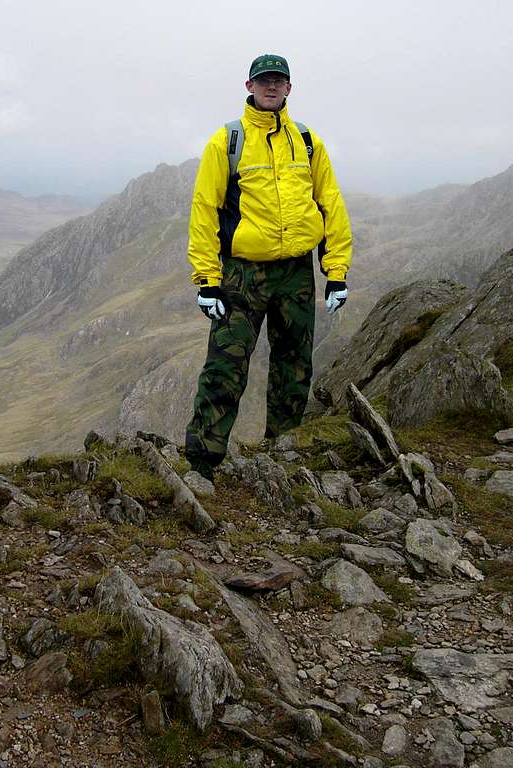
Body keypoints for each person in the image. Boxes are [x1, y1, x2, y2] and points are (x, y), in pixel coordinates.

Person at [184, 53, 353, 482]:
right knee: (225, 365)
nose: (272, 87)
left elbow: (330, 205)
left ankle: (284, 455)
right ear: (249, 86)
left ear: (289, 88)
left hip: (297, 273)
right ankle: (202, 463)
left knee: (294, 367)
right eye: (264, 81)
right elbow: (204, 211)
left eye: (279, 81)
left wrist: (336, 271)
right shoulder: (227, 142)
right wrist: (208, 280)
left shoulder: (308, 141)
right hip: (244, 274)